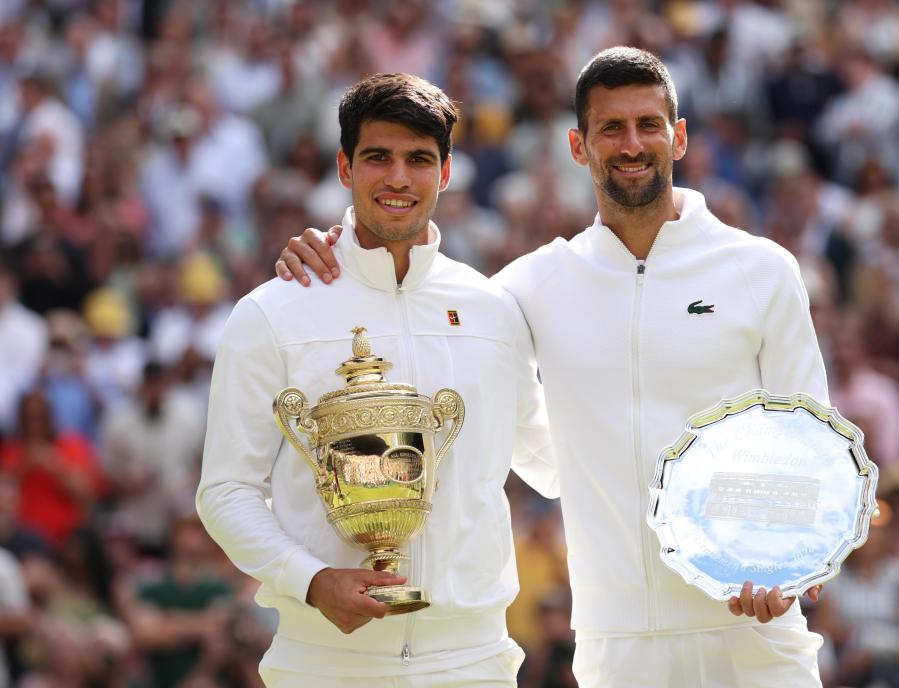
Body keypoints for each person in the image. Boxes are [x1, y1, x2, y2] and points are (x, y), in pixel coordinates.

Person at [277, 48, 828, 686]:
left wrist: (790, 561)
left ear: (678, 136)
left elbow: (811, 439)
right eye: (610, 128)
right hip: (615, 645)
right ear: (578, 145)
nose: (632, 144)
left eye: (649, 124)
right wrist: (337, 256)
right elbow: (417, 303)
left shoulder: (761, 270)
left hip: (755, 636)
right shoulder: (531, 284)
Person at [197, 73, 555, 687]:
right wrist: (308, 579)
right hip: (324, 660)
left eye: (419, 159)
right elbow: (225, 490)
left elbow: (552, 462)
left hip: (472, 661)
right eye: (378, 158)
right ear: (344, 167)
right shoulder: (272, 311)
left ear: (445, 173)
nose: (397, 179)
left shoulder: (493, 310)